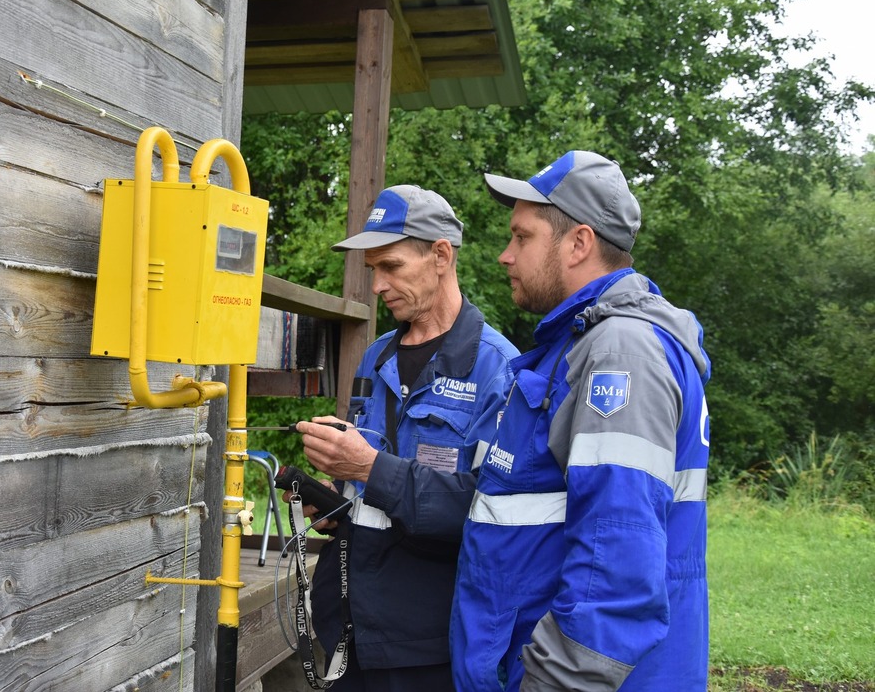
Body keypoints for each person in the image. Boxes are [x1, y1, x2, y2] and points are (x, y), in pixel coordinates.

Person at [450, 151, 712, 691]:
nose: (504, 255)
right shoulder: (582, 346)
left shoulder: (620, 353)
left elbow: (615, 569)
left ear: (578, 243)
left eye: (521, 237)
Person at [292, 184, 520, 691]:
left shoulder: (497, 371)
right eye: (372, 269)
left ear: (440, 255)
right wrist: (334, 504)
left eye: (391, 267)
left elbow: (488, 511)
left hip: (430, 643)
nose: (377, 285)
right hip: (351, 627)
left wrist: (370, 469)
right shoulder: (375, 358)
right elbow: (369, 496)